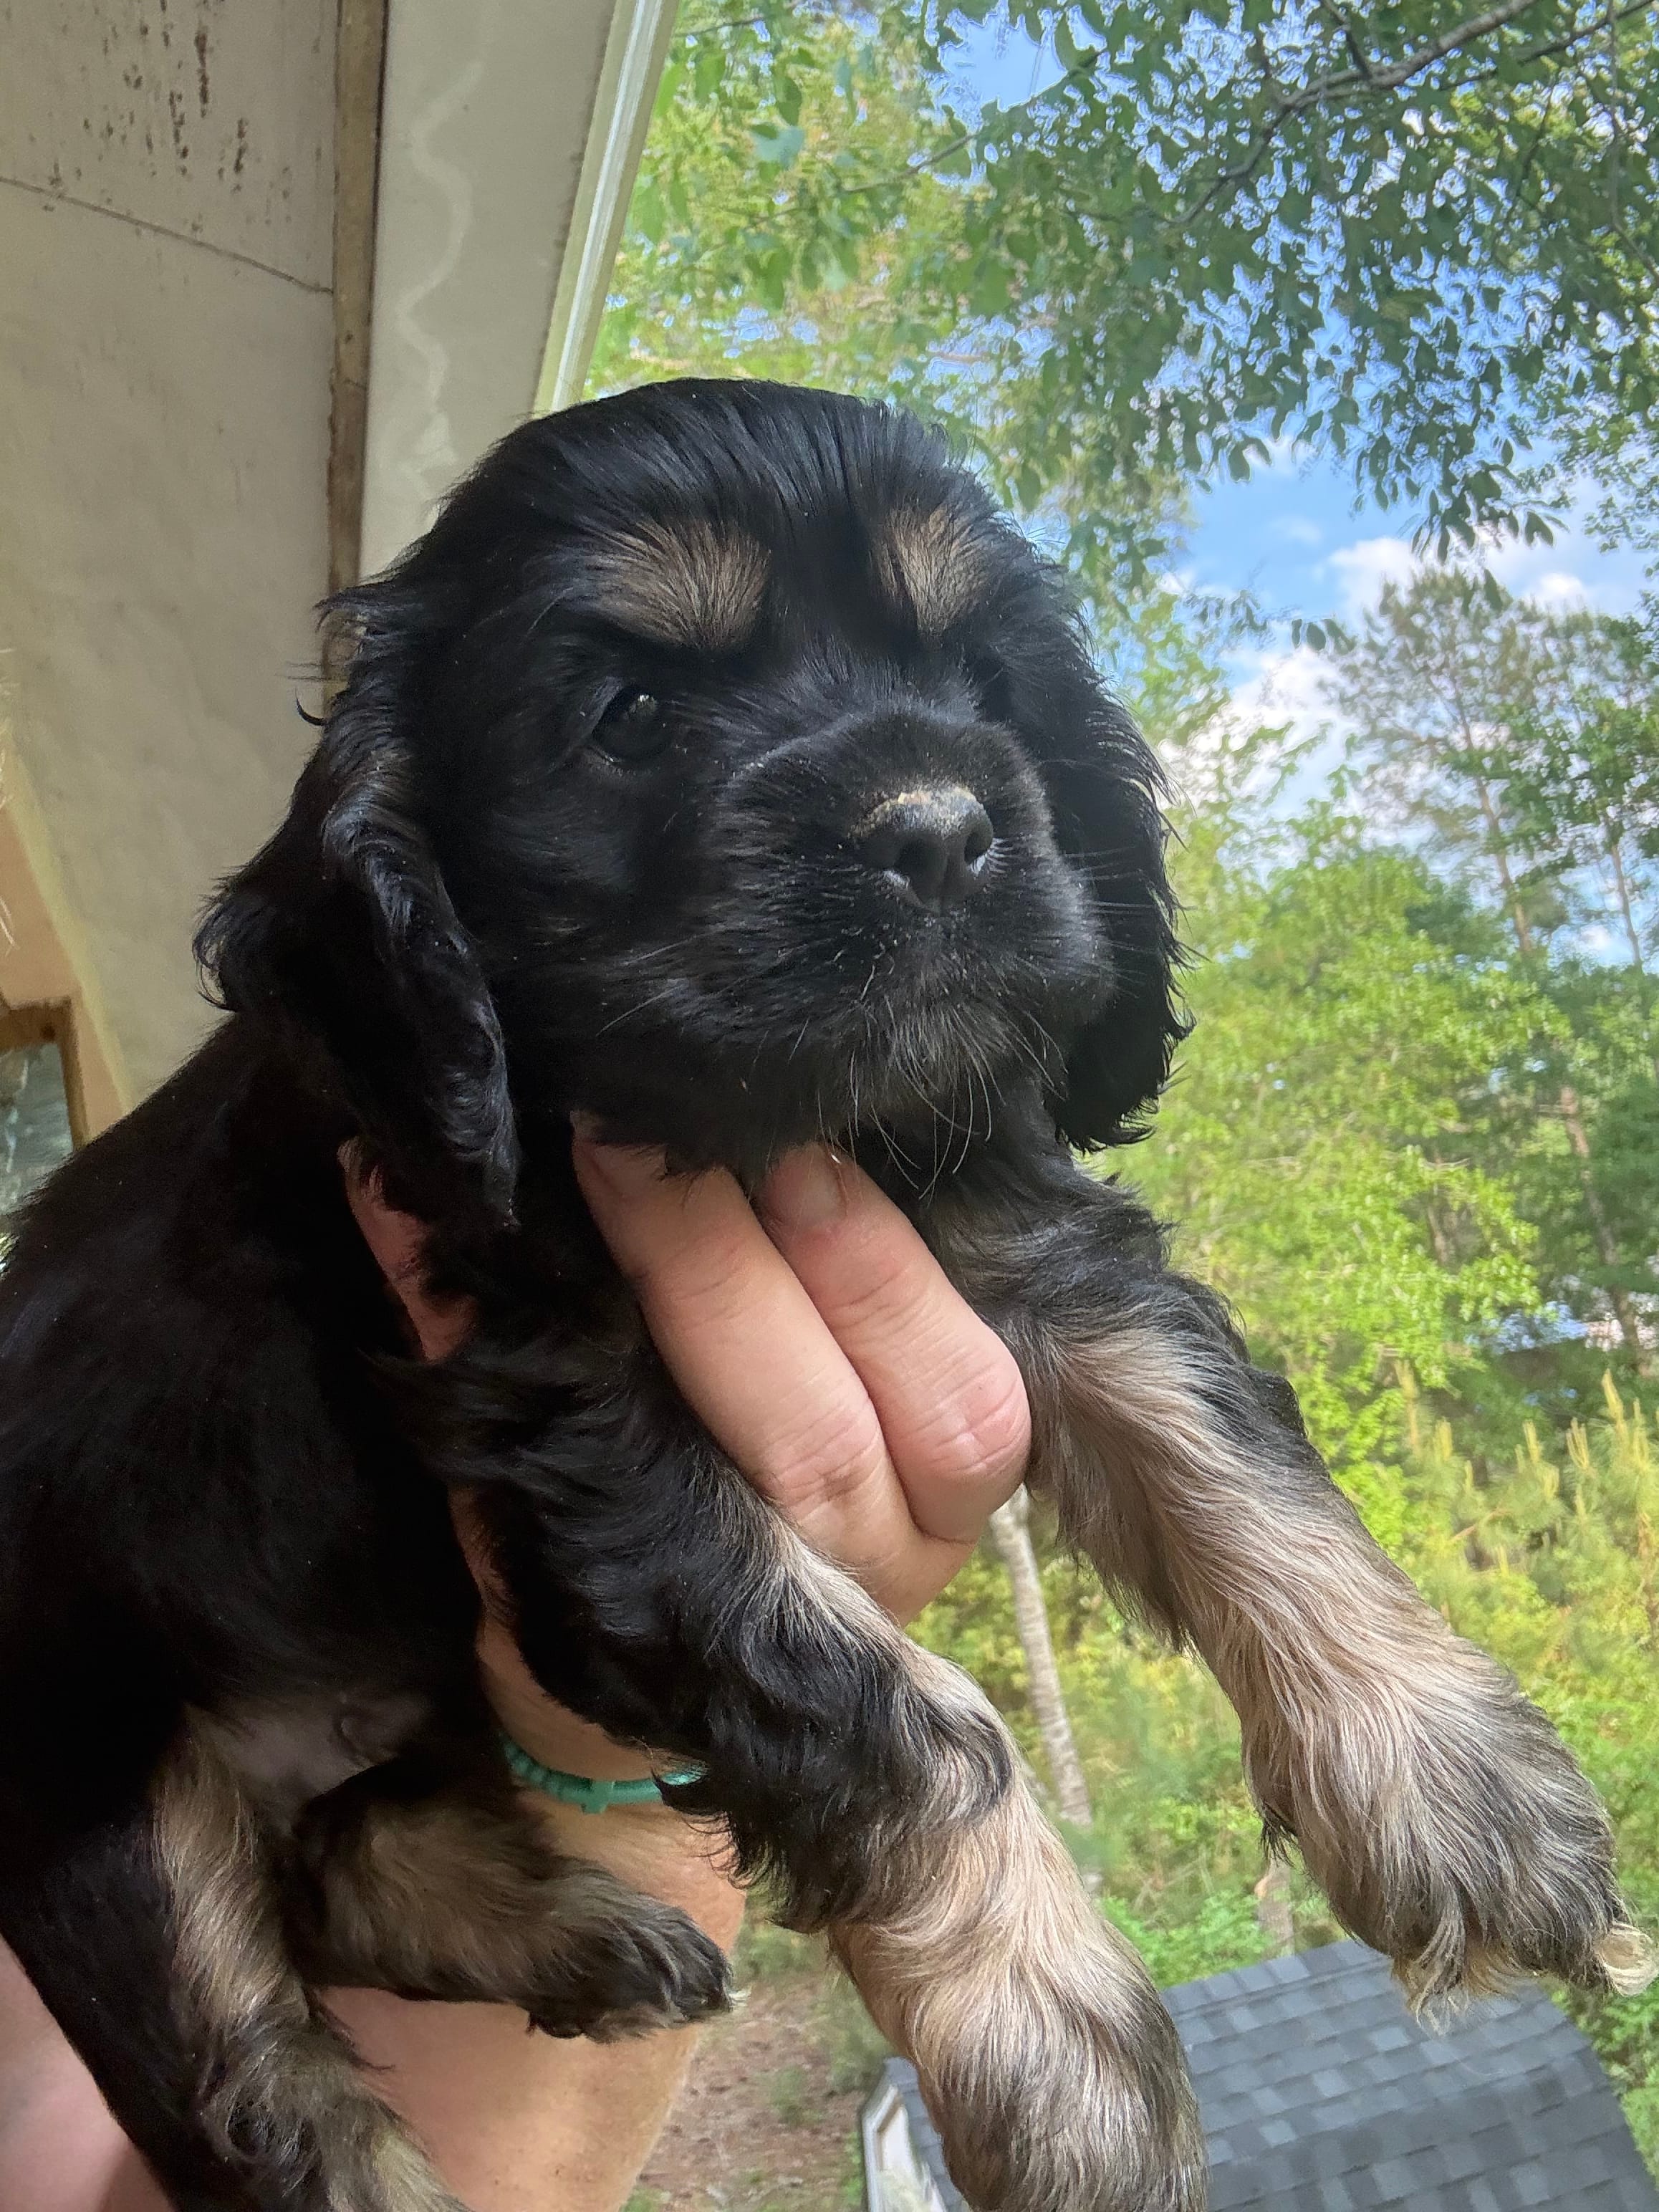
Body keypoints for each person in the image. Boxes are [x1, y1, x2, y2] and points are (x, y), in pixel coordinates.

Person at [0, 1131, 1030, 2212]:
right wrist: (640, 1728)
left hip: (347, 1714)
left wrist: (597, 1752)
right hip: (227, 1719)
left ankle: (387, 1866)